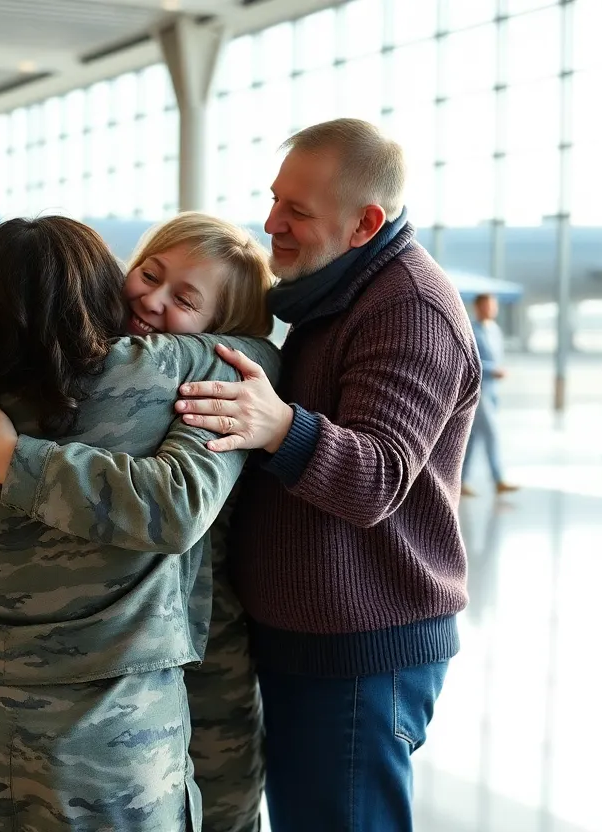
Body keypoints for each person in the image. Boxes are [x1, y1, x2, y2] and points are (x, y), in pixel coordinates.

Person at [0, 216, 280, 831]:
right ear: (104, 285)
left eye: (184, 298)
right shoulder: (173, 382)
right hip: (113, 733)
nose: (154, 301)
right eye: (149, 276)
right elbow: (254, 355)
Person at [172, 118, 480, 831]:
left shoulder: (409, 307)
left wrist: (276, 423)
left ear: (365, 222)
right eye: (275, 199)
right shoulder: (331, 290)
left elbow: (377, 478)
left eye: (297, 212)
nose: (271, 222)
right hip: (308, 639)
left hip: (360, 652)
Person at [461, 293, 518, 497]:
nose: (490, 309)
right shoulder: (472, 332)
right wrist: (493, 370)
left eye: (493, 305)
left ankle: (460, 479)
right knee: (492, 432)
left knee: (473, 436)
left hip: (493, 390)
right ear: (477, 307)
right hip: (480, 390)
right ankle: (498, 478)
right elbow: (470, 361)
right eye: (486, 305)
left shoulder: (495, 330)